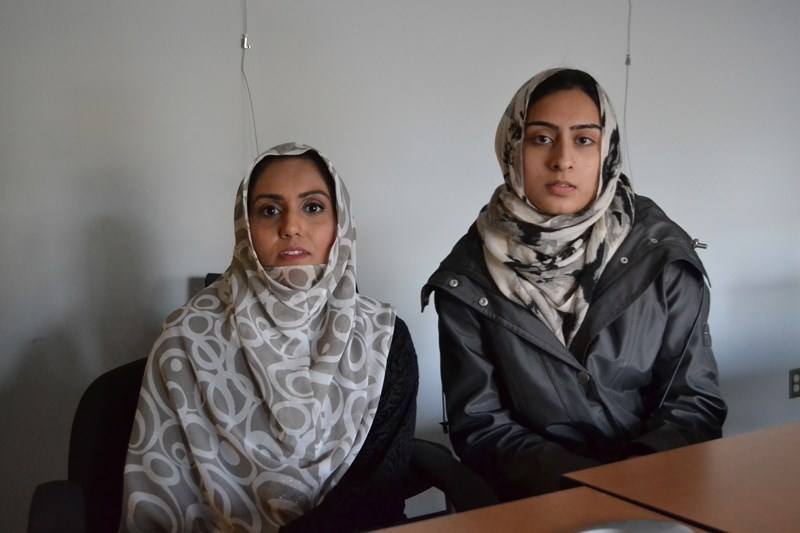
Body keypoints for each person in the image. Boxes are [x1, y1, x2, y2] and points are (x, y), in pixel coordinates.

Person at [421, 68, 727, 501]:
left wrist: (630, 484)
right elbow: (482, 425)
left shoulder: (661, 255)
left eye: (584, 139)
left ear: (608, 150)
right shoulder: (469, 277)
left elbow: (694, 402)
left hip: (656, 495)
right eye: (541, 138)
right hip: (536, 503)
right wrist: (586, 490)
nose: (562, 159)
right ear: (512, 146)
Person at [122, 142, 418, 532]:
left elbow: (377, 486)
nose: (291, 226)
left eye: (312, 207)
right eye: (269, 210)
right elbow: (161, 492)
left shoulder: (382, 336)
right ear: (245, 228)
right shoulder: (186, 338)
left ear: (340, 224)